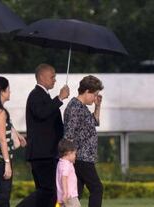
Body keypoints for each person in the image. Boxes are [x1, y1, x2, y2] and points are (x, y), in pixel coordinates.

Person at [18, 63, 69, 207]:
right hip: (41, 153)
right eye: (52, 77)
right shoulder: (35, 95)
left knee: (48, 193)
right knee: (48, 190)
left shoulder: (44, 96)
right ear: (41, 77)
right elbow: (42, 113)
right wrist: (59, 98)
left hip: (48, 152)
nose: (54, 80)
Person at [0, 76, 27, 207]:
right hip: (0, 158)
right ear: (2, 91)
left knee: (4, 197)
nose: (10, 92)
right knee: (3, 196)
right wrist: (7, 164)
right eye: (8, 89)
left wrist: (18, 135)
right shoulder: (0, 112)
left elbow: (5, 126)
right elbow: (2, 139)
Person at [63, 75, 104, 207]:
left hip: (84, 157)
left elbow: (94, 122)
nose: (95, 98)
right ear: (87, 91)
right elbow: (69, 134)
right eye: (94, 94)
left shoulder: (82, 107)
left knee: (76, 193)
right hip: (80, 157)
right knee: (97, 188)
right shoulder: (75, 107)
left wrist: (97, 106)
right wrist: (68, 158)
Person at [56, 139, 80, 207]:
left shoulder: (60, 163)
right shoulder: (66, 164)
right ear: (69, 153)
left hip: (62, 197)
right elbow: (64, 178)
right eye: (74, 154)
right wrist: (66, 193)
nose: (75, 156)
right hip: (70, 196)